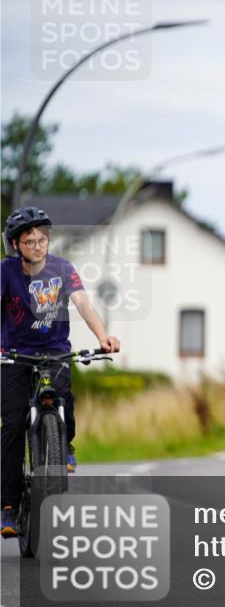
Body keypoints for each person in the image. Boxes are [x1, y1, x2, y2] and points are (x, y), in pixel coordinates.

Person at [1, 206, 121, 538]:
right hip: (12, 355)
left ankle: (63, 444)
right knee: (12, 426)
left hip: (53, 351)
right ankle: (8, 507)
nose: (37, 246)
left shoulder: (63, 269)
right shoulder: (5, 272)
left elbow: (83, 303)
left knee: (62, 395)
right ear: (15, 245)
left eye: (42, 240)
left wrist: (103, 337)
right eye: (29, 241)